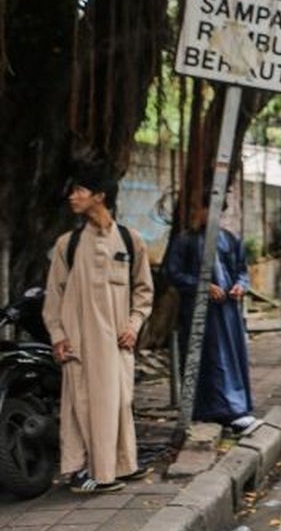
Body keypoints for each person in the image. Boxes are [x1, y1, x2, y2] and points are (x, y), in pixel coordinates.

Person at [42, 165, 154, 493]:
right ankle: (83, 472)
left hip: (117, 341)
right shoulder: (68, 244)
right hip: (80, 341)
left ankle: (121, 465)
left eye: (79, 190)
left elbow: (144, 290)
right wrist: (58, 336)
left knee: (118, 402)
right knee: (81, 404)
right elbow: (53, 296)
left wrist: (134, 324)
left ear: (100, 196)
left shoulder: (131, 241)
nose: (72, 197)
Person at [162, 192, 257, 434]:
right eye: (206, 210)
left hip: (227, 311)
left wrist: (240, 286)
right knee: (206, 360)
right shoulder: (185, 241)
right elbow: (172, 273)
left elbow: (242, 271)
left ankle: (235, 409)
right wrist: (202, 286)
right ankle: (207, 410)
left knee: (231, 358)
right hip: (198, 313)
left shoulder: (230, 240)